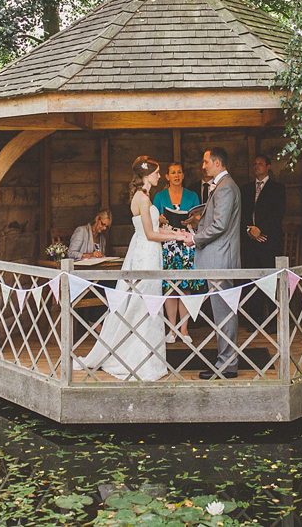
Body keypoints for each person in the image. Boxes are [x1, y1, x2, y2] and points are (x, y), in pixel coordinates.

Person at [77, 156, 191, 381]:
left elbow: (155, 230)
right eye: (157, 172)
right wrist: (177, 236)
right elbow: (150, 234)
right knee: (143, 302)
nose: (160, 176)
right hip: (145, 254)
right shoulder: (140, 198)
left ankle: (150, 356)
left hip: (151, 251)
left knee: (151, 301)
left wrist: (178, 234)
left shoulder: (146, 196)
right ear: (147, 175)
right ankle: (138, 359)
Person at [186, 147, 241, 379]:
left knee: (224, 313)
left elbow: (220, 225)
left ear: (217, 163)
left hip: (221, 259)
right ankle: (226, 361)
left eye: (206, 162)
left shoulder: (226, 187)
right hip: (219, 257)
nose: (203, 166)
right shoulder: (221, 186)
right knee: (222, 312)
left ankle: (227, 365)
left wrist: (195, 238)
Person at [154, 162, 204, 345]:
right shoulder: (159, 196)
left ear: (183, 176)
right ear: (167, 176)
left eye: (179, 172)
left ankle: (184, 328)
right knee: (169, 287)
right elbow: (153, 223)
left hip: (186, 243)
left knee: (184, 286)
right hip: (167, 244)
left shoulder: (192, 195)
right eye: (173, 172)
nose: (176, 175)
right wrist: (158, 218)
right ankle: (172, 329)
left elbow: (199, 221)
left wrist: (194, 219)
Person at [241, 154, 286, 322]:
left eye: (260, 163)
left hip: (269, 241)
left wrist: (261, 230)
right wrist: (249, 231)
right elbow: (243, 213)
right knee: (252, 282)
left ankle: (274, 322)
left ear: (268, 167)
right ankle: (255, 321)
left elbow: (278, 213)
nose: (256, 166)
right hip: (250, 242)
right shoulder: (245, 189)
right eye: (254, 163)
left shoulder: (278, 188)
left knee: (271, 281)